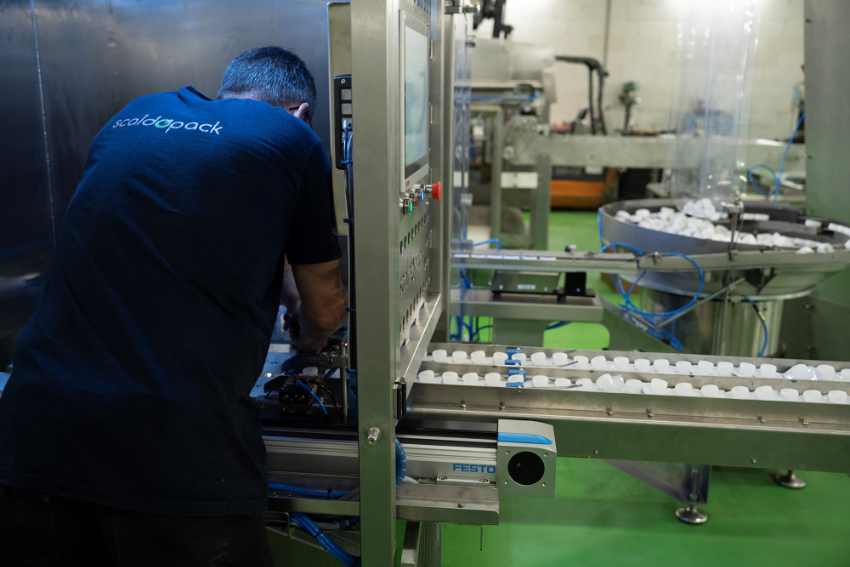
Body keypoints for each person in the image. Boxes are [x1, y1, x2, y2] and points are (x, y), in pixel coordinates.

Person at [0, 46, 345, 565]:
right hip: (175, 459)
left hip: (33, 438)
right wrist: (310, 338)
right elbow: (324, 307)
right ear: (301, 112)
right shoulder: (293, 138)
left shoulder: (134, 115)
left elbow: (193, 236)